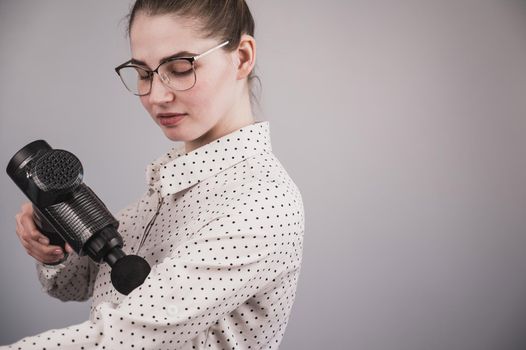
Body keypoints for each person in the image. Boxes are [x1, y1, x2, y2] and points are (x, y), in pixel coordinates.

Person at [3, 0, 304, 349]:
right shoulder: (169, 186)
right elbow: (76, 284)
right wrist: (51, 231)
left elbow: (124, 338)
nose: (156, 96)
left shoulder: (261, 203)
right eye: (144, 73)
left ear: (242, 57)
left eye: (179, 68)